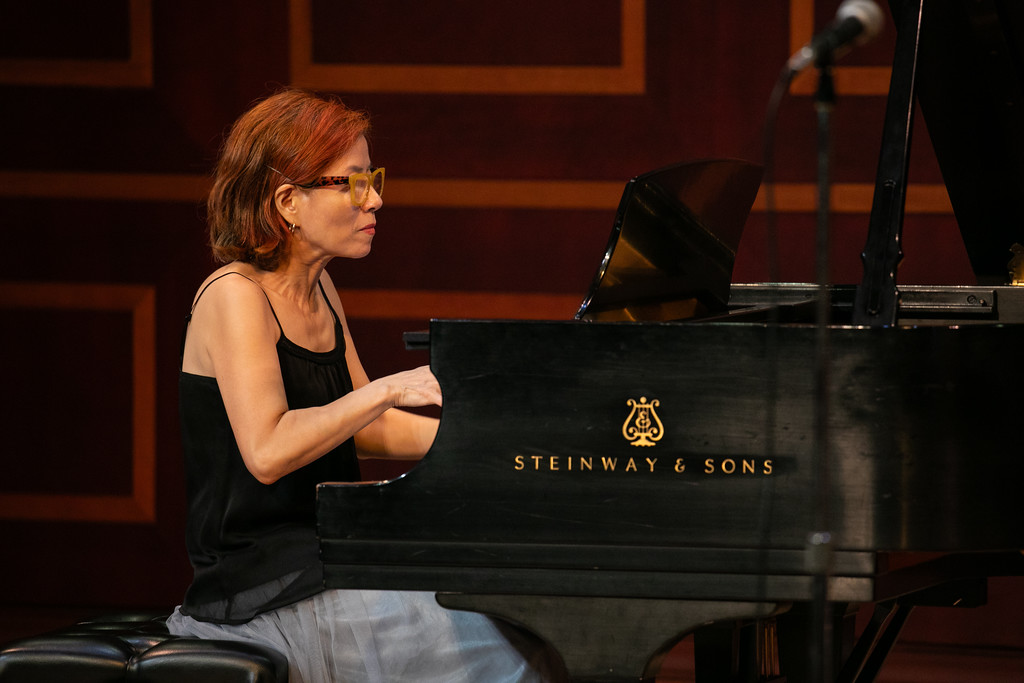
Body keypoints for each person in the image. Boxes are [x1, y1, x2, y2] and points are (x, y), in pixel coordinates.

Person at [167, 88, 563, 683]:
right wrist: (383, 388)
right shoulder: (235, 295)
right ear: (288, 202)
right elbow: (269, 450)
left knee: (530, 624)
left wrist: (493, 444)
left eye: (371, 177)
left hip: (329, 562)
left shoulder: (319, 289)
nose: (376, 198)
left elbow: (366, 432)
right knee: (505, 654)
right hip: (261, 591)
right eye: (352, 182)